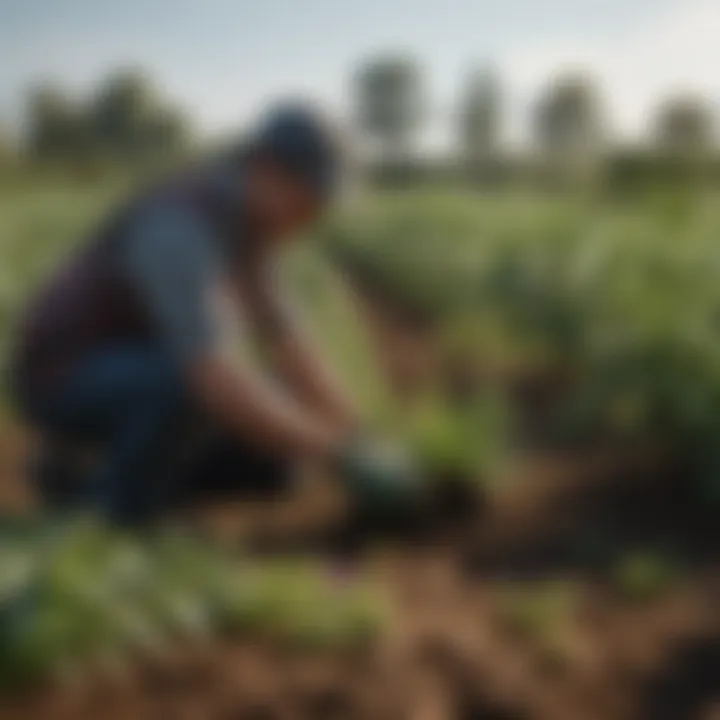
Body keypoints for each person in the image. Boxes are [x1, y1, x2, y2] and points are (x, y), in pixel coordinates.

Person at [12, 102, 417, 526]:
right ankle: (104, 510)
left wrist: (358, 437)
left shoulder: (251, 234)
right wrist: (334, 452)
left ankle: (126, 478)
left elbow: (292, 346)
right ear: (265, 169)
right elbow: (213, 377)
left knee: (279, 465)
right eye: (308, 196)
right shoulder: (181, 226)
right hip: (65, 374)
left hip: (147, 364)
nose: (314, 215)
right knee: (183, 390)